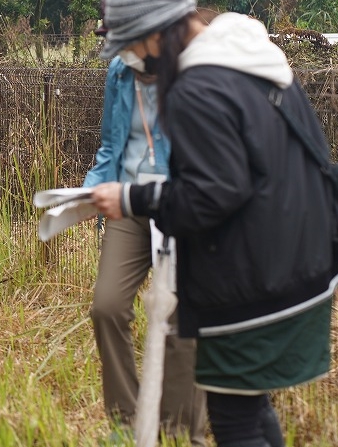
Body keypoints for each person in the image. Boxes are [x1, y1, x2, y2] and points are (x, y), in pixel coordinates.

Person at [89, 0, 338, 447]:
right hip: (300, 265)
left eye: (130, 41)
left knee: (235, 423)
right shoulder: (256, 61)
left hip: (248, 281)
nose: (131, 55)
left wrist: (131, 196)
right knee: (252, 413)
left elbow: (212, 195)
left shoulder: (196, 87)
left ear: (155, 31)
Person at [84, 23, 207, 444]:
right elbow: (108, 145)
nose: (118, 48)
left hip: (175, 204)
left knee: (179, 317)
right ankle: (127, 419)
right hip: (127, 204)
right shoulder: (118, 72)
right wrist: (86, 192)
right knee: (107, 306)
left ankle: (178, 429)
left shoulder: (191, 73)